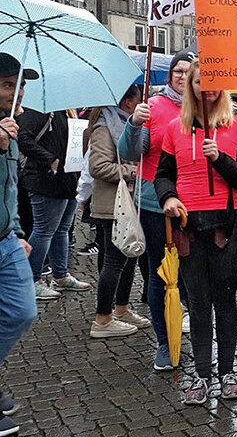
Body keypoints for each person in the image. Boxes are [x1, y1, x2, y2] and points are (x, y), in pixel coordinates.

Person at [154, 59, 237, 405]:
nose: (207, 88)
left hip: (226, 227)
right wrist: (167, 197)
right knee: (198, 303)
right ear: (191, 85)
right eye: (200, 81)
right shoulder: (174, 128)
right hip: (189, 226)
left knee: (224, 300)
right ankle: (200, 373)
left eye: (214, 81)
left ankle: (227, 371)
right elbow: (163, 174)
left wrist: (221, 160)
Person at [119, 48, 196, 371]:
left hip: (194, 202)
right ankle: (164, 343)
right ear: (169, 75)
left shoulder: (205, 106)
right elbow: (129, 152)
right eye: (177, 71)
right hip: (154, 202)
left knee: (193, 273)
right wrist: (134, 125)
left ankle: (196, 328)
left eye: (187, 71)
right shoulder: (154, 107)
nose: (181, 76)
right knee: (158, 273)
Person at [87, 86, 151, 338]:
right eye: (138, 100)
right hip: (112, 206)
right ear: (127, 103)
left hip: (127, 203)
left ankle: (121, 309)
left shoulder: (123, 123)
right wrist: (133, 173)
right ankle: (102, 319)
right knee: (114, 262)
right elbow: (98, 166)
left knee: (129, 258)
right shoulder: (105, 126)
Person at [0, 53, 36, 437]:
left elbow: (10, 189)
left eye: (19, 85)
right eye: (8, 85)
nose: (16, 92)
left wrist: (18, 232)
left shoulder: (11, 128)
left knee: (22, 312)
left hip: (7, 240)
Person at [18, 104, 89, 299]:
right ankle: (32, 281)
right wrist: (50, 159)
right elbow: (23, 138)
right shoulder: (41, 109)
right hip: (46, 180)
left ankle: (60, 275)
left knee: (62, 229)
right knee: (44, 230)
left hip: (69, 179)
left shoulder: (68, 110)